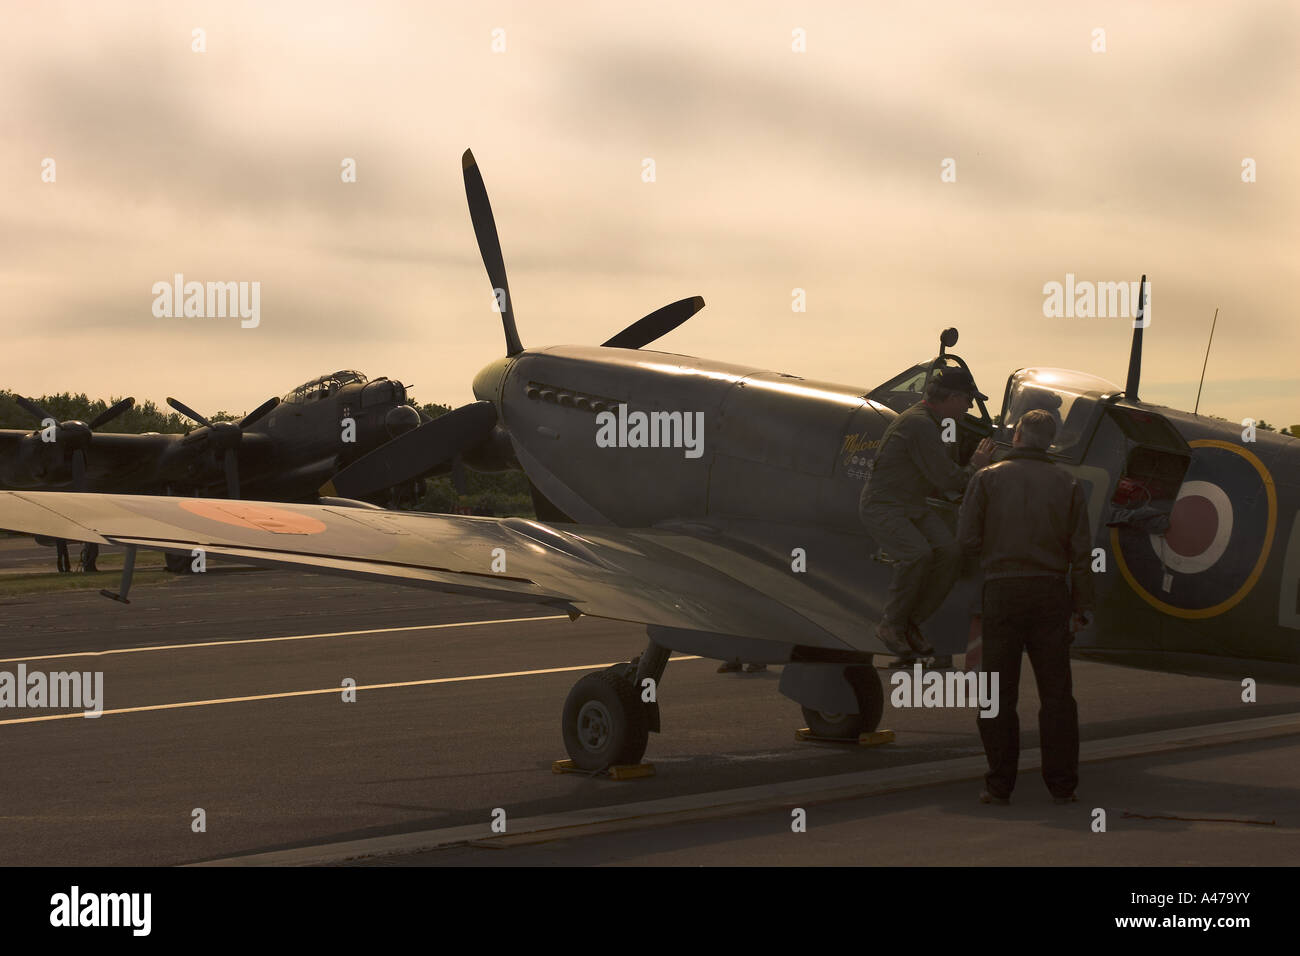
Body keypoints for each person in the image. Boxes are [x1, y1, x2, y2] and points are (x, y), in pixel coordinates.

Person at [957, 409, 1094, 805]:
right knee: (1057, 695)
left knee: (998, 695)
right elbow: (1082, 552)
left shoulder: (987, 478)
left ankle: (999, 785)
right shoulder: (1068, 482)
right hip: (1052, 594)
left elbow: (966, 541)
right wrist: (1082, 604)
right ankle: (1062, 786)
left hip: (1002, 593)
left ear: (1017, 435)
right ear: (1049, 441)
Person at [860, 366, 994, 659]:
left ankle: (910, 624)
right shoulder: (920, 424)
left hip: (912, 506)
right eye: (967, 400)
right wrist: (977, 466)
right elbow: (946, 479)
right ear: (952, 398)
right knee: (917, 555)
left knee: (950, 553)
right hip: (885, 505)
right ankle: (890, 625)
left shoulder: (935, 422)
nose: (970, 406)